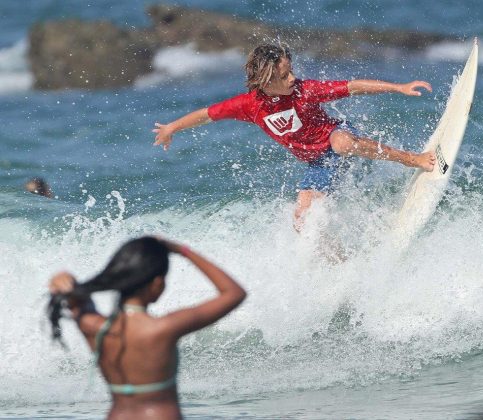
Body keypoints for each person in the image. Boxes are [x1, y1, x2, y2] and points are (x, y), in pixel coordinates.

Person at [153, 43, 436, 230]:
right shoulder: (249, 105)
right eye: (285, 75)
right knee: (302, 220)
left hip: (337, 135)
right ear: (266, 81)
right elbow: (206, 114)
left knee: (342, 143)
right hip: (318, 163)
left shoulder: (304, 90)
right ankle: (337, 265)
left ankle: (412, 159)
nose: (292, 78)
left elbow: (352, 86)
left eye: (291, 71)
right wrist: (171, 128)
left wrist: (398, 87)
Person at [47, 236, 246, 420]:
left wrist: (63, 277)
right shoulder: (164, 328)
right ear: (157, 284)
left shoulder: (94, 327)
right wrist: (182, 250)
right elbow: (234, 293)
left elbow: (72, 295)